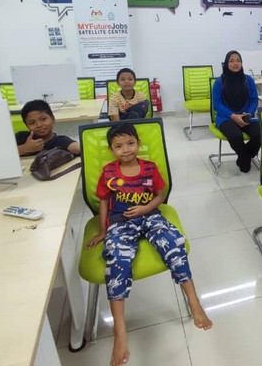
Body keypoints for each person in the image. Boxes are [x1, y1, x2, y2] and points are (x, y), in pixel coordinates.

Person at [85, 123, 212, 366]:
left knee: (174, 245)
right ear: (111, 150)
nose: (125, 150)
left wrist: (146, 208)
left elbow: (160, 195)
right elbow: (103, 201)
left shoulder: (150, 168)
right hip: (121, 221)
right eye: (118, 146)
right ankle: (120, 331)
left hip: (150, 215)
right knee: (117, 259)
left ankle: (194, 302)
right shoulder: (109, 172)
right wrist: (103, 230)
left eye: (130, 143)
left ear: (138, 143)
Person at [212, 50, 261, 172]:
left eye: (238, 61)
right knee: (235, 135)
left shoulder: (248, 80)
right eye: (232, 61)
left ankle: (243, 157)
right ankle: (245, 158)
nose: (235, 63)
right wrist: (233, 116)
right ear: (226, 63)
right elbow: (217, 104)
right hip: (226, 118)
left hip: (246, 115)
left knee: (261, 132)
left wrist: (249, 113)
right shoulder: (219, 82)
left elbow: (254, 99)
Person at [15, 99, 80, 156]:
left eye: (43, 119)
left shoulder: (60, 141)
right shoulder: (21, 137)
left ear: (52, 118)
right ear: (27, 125)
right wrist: (25, 148)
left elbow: (78, 148)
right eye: (32, 123)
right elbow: (8, 152)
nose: (39, 125)